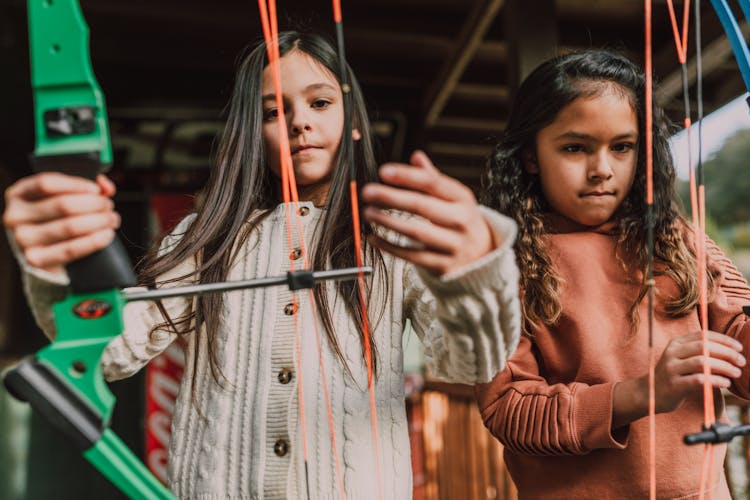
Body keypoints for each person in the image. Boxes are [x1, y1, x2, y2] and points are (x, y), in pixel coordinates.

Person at [3, 31, 521, 498]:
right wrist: (61, 261)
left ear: (355, 123)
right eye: (273, 112)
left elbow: (468, 363)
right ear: (254, 134)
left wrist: (474, 273)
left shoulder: (390, 234)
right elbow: (111, 350)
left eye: (320, 102)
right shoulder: (209, 237)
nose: (300, 122)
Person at [475, 49, 750, 499]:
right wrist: (642, 394)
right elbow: (509, 410)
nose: (602, 168)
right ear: (528, 156)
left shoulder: (681, 241)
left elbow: (741, 356)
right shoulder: (501, 264)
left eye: (622, 147)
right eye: (575, 148)